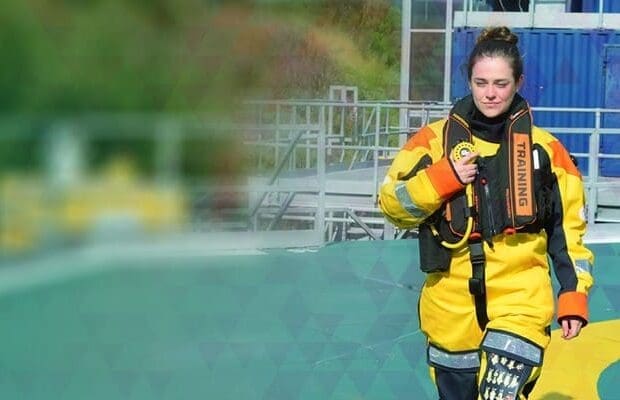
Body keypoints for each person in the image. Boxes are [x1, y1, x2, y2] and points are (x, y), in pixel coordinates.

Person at [378, 26, 594, 400]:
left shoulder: (548, 151)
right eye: (481, 83)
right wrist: (443, 177)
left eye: (500, 83)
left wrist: (573, 295)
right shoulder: (430, 142)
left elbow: (568, 234)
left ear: (518, 82)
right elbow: (392, 205)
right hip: (449, 309)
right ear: (469, 81)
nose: (490, 93)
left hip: (520, 302)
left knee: (500, 391)